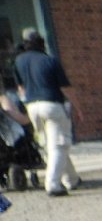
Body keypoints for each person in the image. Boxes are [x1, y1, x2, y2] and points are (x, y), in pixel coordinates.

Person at [14, 28, 81, 196]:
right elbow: (65, 88)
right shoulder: (49, 60)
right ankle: (53, 184)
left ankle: (71, 178)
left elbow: (21, 88)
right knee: (59, 144)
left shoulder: (19, 61)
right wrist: (78, 107)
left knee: (52, 144)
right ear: (41, 42)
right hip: (52, 105)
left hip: (32, 107)